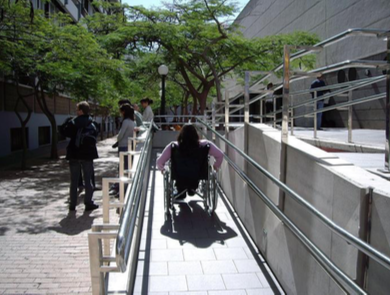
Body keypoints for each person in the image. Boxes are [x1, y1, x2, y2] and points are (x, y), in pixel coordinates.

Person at [156, 124, 224, 199]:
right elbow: (220, 155)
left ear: (181, 134)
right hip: (198, 175)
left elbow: (159, 162)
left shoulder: (173, 146)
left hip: (179, 176)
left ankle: (181, 191)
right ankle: (192, 189)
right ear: (196, 134)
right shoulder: (205, 145)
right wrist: (216, 166)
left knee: (181, 174)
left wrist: (162, 170)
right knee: (195, 172)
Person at [59, 101, 99, 212]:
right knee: (88, 180)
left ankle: (72, 204)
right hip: (88, 154)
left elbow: (64, 132)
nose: (76, 112)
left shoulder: (73, 122)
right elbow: (96, 135)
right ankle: (88, 203)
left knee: (74, 181)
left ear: (81, 111)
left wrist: (66, 122)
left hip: (74, 154)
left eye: (77, 110)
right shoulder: (93, 123)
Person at [110, 104, 136, 196]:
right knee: (126, 168)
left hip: (123, 145)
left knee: (122, 169)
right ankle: (123, 189)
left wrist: (117, 139)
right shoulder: (132, 121)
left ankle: (122, 190)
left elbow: (121, 134)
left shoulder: (125, 122)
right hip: (129, 146)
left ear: (124, 111)